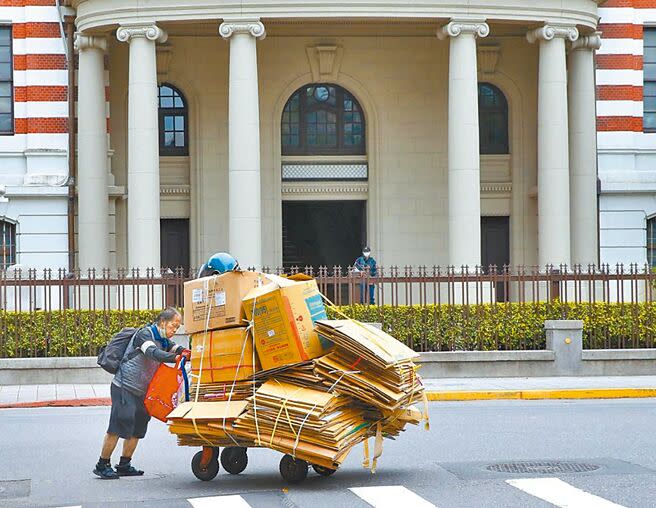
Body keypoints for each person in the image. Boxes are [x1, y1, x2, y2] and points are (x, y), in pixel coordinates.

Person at [93, 307, 190, 479]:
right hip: (124, 386)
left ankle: (124, 464)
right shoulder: (145, 334)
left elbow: (175, 348)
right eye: (173, 326)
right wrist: (173, 358)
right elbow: (152, 352)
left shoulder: (164, 339)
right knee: (119, 424)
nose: (174, 330)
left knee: (138, 426)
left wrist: (184, 352)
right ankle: (102, 464)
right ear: (162, 322)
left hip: (141, 392)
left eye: (177, 327)